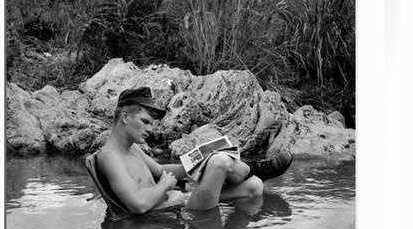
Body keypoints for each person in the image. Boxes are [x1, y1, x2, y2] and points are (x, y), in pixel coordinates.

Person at [96, 87, 292, 214]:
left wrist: (195, 162)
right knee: (220, 162)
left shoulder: (132, 149)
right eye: (145, 122)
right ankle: (255, 168)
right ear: (124, 116)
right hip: (171, 210)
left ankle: (254, 219)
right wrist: (164, 185)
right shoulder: (110, 157)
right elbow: (138, 204)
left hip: (178, 199)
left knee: (255, 186)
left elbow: (160, 171)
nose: (150, 129)